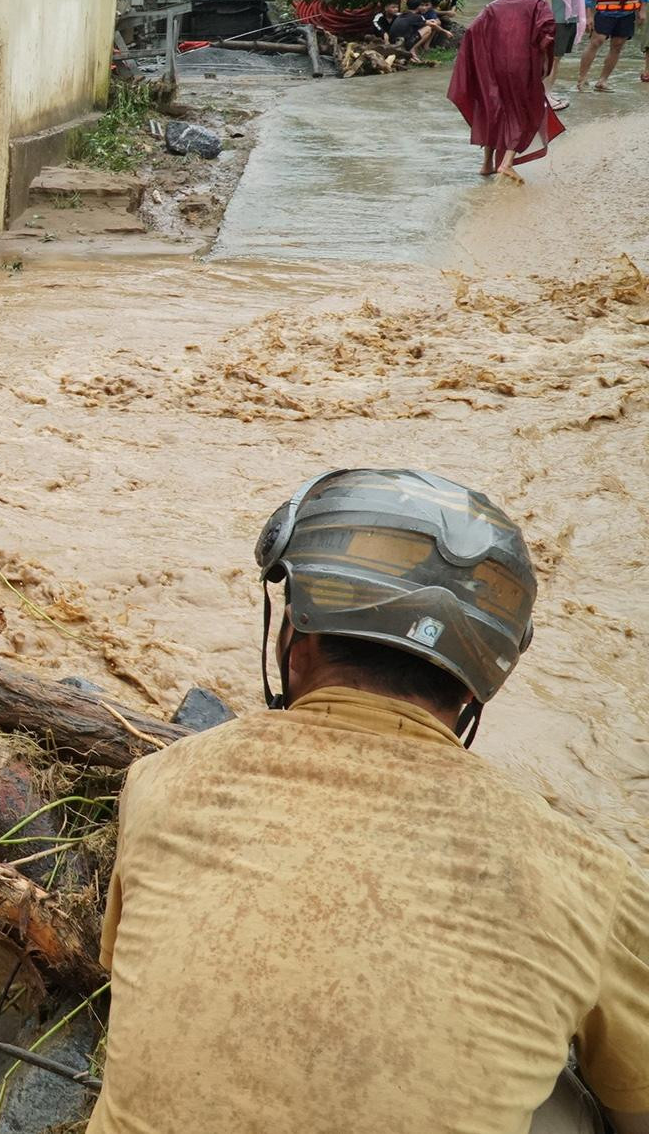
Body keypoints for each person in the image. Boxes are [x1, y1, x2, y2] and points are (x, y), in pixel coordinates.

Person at [89, 468, 649, 1134]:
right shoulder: (589, 876)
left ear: (294, 637)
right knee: (569, 1078)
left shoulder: (163, 780)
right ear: (478, 687)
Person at [448, 0, 561, 183]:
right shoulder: (536, 4)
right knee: (523, 111)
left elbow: (472, 31)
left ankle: (487, 164)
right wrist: (544, 63)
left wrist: (481, 61)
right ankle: (506, 164)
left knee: (495, 110)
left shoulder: (494, 5)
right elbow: (547, 33)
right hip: (522, 67)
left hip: (494, 66)